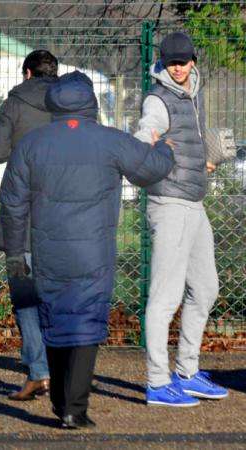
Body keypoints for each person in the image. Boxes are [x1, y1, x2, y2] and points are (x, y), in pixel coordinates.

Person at [0, 71, 174, 429]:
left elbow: (12, 204)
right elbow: (151, 170)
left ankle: (60, 401)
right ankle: (74, 409)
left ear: (54, 104)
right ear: (91, 103)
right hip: (94, 253)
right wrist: (164, 150)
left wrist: (15, 253)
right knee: (86, 322)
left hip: (47, 252)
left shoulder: (32, 144)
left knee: (55, 318)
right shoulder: (110, 140)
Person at [134, 31, 228, 406]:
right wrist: (154, 147)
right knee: (164, 297)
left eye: (183, 60)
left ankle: (187, 372)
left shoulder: (194, 91)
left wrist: (202, 159)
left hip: (195, 202)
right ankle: (158, 382)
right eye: (171, 61)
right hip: (170, 204)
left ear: (193, 60)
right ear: (163, 62)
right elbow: (145, 137)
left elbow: (190, 140)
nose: (177, 67)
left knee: (206, 289)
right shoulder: (159, 98)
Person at [0, 50, 59, 401]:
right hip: (63, 219)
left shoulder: (16, 102)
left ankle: (38, 372)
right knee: (60, 298)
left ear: (27, 73)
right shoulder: (70, 106)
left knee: (25, 297)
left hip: (21, 218)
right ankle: (63, 371)